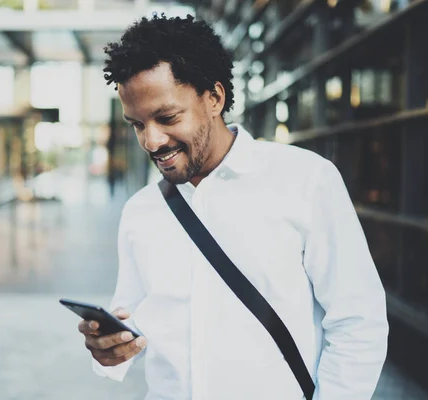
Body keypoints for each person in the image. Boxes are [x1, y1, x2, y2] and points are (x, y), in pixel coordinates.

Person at [77, 13, 388, 400]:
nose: (151, 141)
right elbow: (131, 324)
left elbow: (359, 322)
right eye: (137, 125)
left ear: (215, 98)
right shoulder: (142, 210)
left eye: (167, 117)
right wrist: (110, 350)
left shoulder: (306, 180)